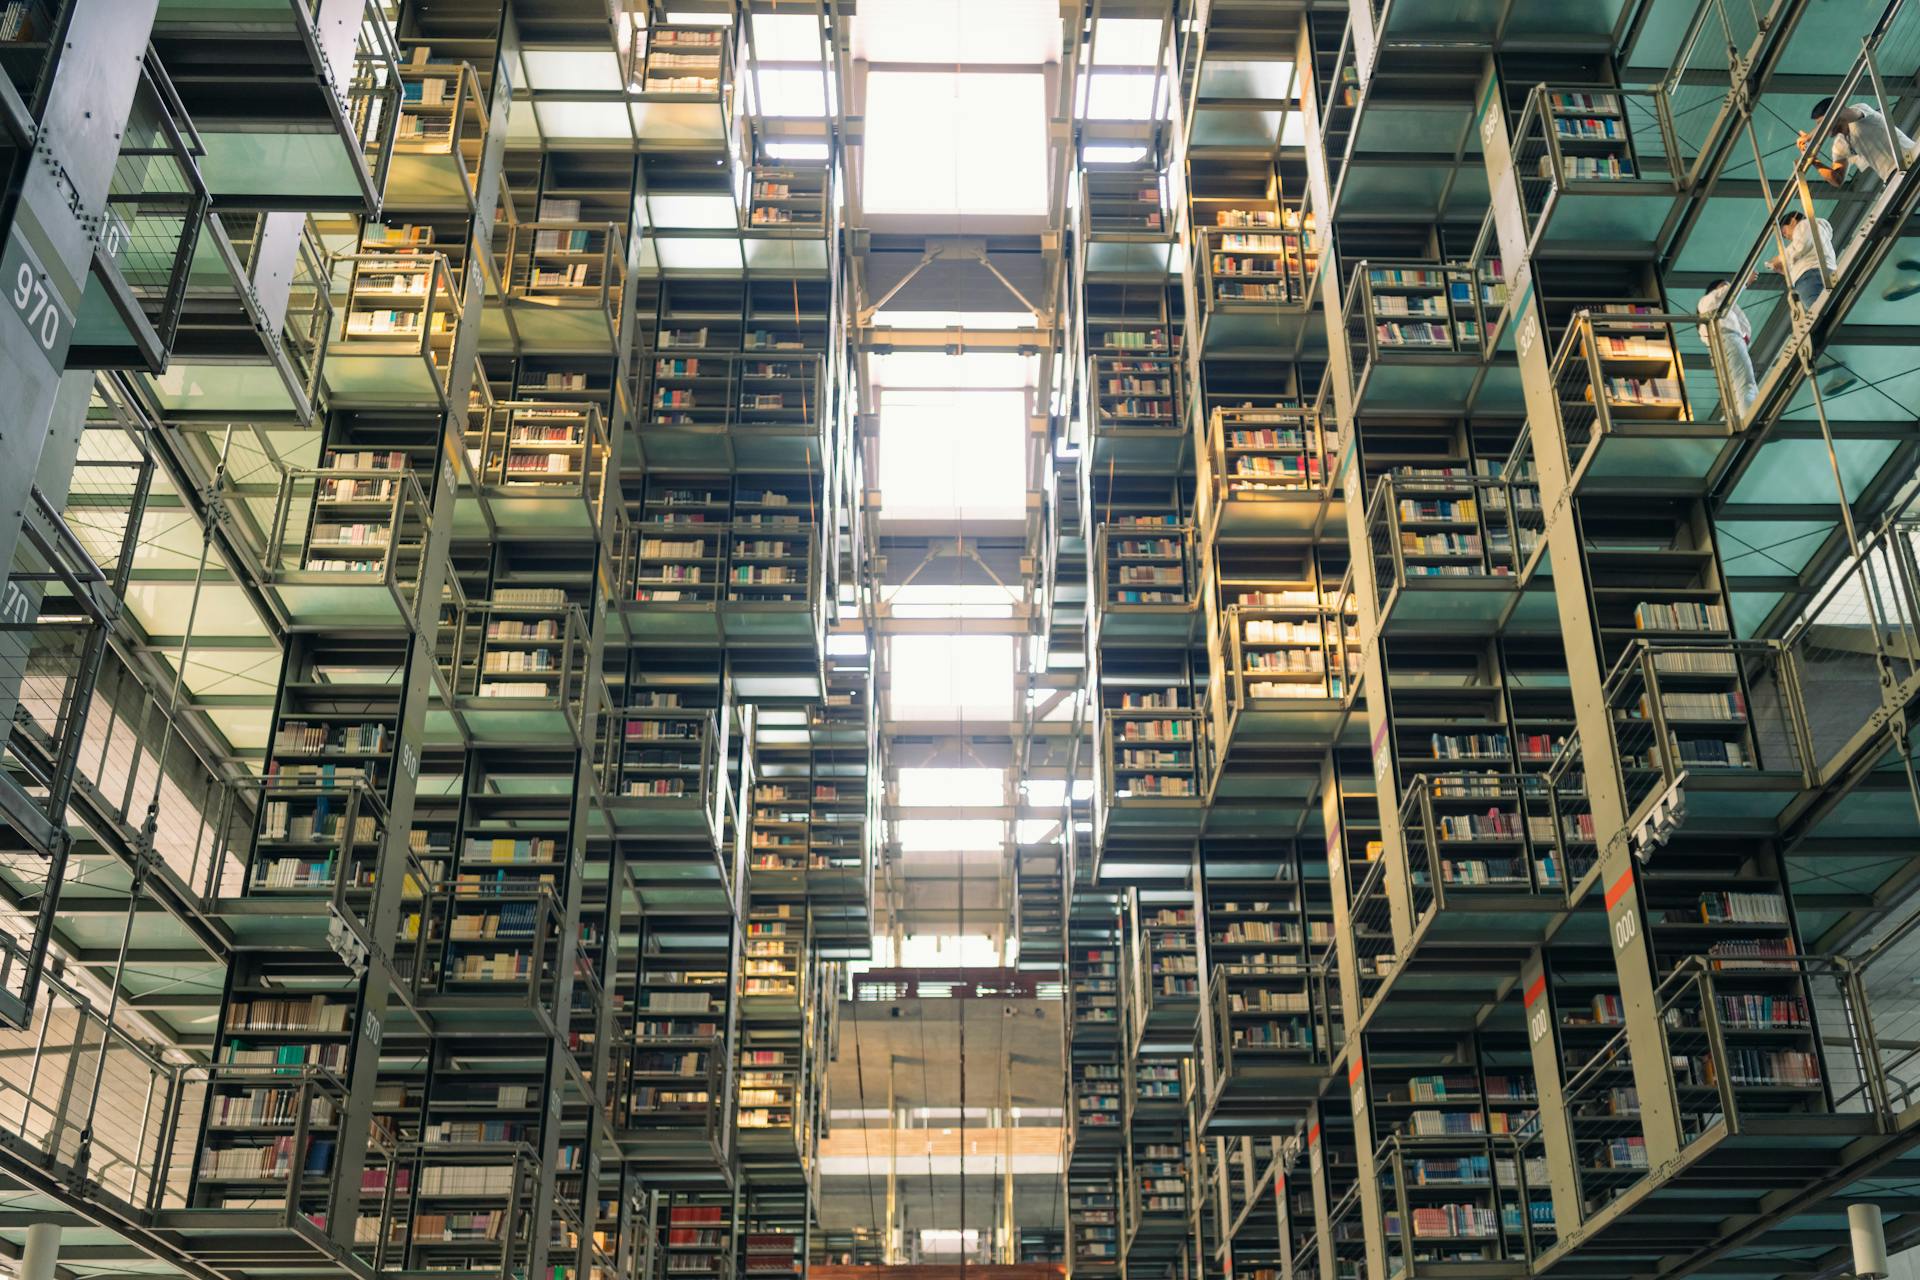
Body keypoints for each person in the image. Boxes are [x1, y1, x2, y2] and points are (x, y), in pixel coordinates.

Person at [1800, 96, 1917, 187]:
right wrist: (1814, 161)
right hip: (1893, 177)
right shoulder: (1839, 144)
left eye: (1821, 123)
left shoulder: (1860, 110)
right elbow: (1837, 180)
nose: (1821, 129)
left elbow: (1841, 114)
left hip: (1912, 157)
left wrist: (1808, 137)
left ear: (1836, 111)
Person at [1697, 279, 1756, 413]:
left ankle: (1746, 414)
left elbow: (1745, 329)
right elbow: (1727, 292)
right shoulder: (1707, 300)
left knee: (1740, 385)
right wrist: (1744, 281)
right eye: (1724, 284)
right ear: (1716, 288)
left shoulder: (1718, 310)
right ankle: (1749, 415)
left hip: (1724, 344)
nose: (1727, 287)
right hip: (1728, 339)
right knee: (1745, 384)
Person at [1760, 208, 1837, 311]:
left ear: (1792, 221)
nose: (1786, 236)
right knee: (1825, 310)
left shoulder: (1804, 225)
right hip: (1819, 272)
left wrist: (1779, 258)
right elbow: (1802, 251)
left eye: (1784, 231)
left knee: (1817, 312)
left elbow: (1800, 246)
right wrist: (1785, 270)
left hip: (1811, 275)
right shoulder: (1816, 232)